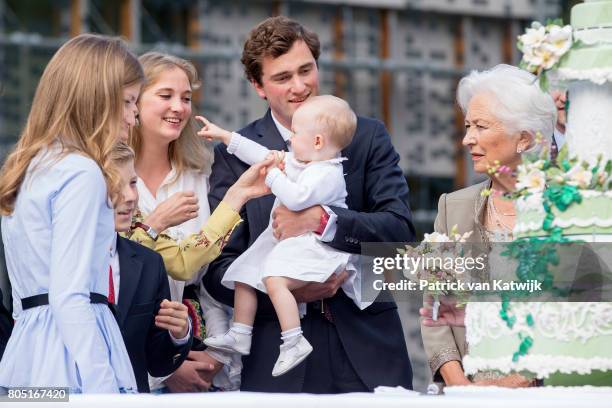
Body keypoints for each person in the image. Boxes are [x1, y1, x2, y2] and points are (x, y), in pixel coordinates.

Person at [203, 16, 415, 393]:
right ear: (258, 86)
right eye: (283, 77)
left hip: (369, 349)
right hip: (276, 361)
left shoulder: (366, 136)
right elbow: (218, 269)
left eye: (306, 70)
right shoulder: (234, 156)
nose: (299, 86)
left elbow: (399, 233)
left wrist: (324, 221)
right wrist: (289, 293)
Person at [0, 34, 143, 393]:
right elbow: (69, 295)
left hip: (28, 353)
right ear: (96, 99)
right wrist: (104, 388)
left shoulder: (30, 166)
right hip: (72, 357)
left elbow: (25, 297)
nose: (134, 117)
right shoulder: (81, 171)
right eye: (127, 102)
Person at [127, 52, 273, 392]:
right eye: (166, 95)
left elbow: (204, 278)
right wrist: (167, 369)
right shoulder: (112, 177)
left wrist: (215, 351)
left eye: (186, 98)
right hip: (130, 356)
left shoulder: (201, 174)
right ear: (134, 100)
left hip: (193, 348)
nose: (179, 107)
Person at [198, 95, 366, 377]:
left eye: (295, 134)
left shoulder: (327, 173)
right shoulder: (303, 161)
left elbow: (297, 199)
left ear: (317, 142)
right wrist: (227, 137)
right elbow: (260, 154)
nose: (289, 141)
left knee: (274, 279)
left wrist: (273, 176)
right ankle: (240, 332)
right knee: (245, 272)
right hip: (289, 244)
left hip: (316, 249)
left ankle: (293, 340)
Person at [419, 64, 556, 388]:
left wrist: (516, 383)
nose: (467, 139)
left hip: (548, 391)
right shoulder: (454, 207)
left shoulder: (566, 210)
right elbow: (434, 308)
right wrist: (461, 387)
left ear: (523, 138)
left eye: (481, 126)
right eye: (468, 126)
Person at [109, 142, 193, 392]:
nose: (131, 196)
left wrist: (178, 333)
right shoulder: (59, 260)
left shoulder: (149, 262)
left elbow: (157, 363)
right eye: (115, 185)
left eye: (133, 183)